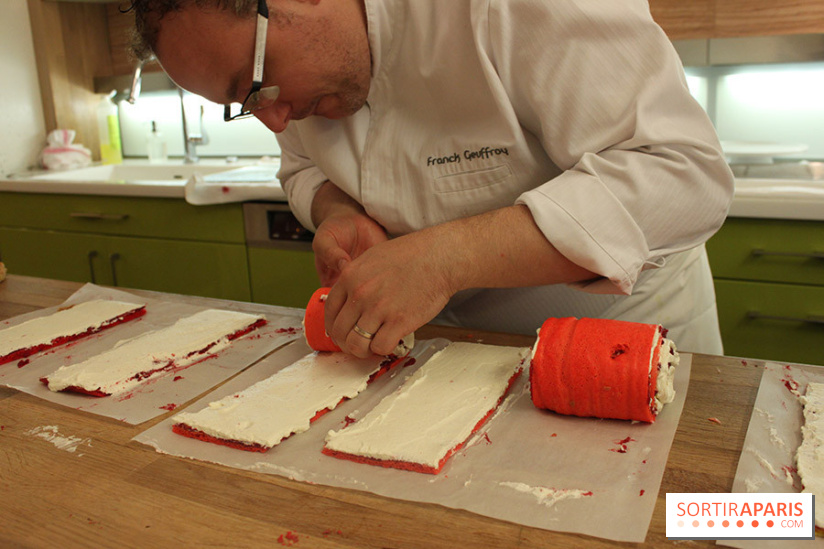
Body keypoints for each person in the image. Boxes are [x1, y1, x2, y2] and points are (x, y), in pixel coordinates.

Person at [129, 0, 734, 358]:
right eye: (244, 105)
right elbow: (302, 165)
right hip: (450, 355)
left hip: (616, 343)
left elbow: (681, 173)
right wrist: (339, 210)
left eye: (256, 87)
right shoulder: (287, 89)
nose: (274, 119)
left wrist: (444, 260)